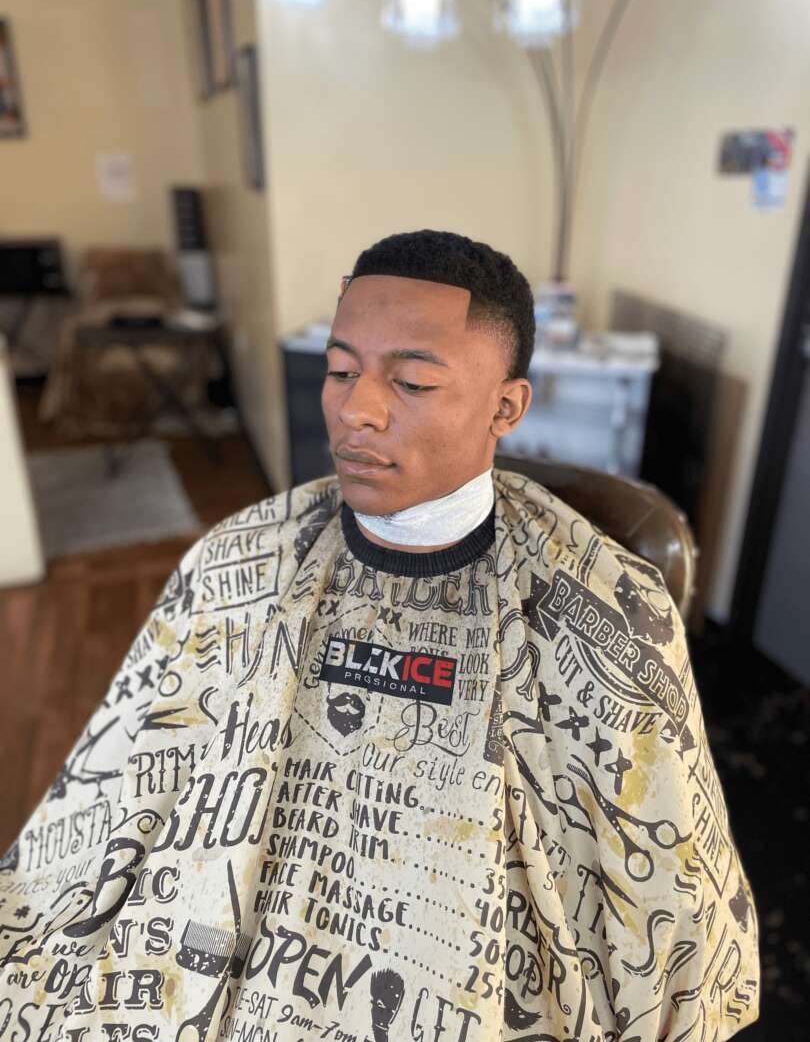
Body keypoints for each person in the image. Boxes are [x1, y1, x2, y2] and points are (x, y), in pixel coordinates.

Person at [0, 230, 759, 1040]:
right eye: (340, 370)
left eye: (413, 381)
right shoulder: (236, 557)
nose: (355, 410)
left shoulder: (611, 606)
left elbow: (676, 921)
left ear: (506, 407)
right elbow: (118, 795)